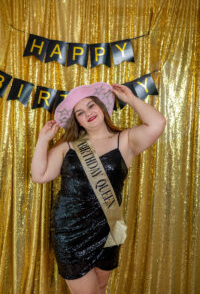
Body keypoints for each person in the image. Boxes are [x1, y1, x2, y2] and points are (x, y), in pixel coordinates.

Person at [31, 82, 166, 294]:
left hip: (108, 229)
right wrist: (42, 140)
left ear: (101, 107)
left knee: (100, 288)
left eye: (91, 105)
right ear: (77, 120)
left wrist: (130, 99)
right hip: (71, 231)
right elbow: (39, 176)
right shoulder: (67, 148)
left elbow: (158, 123)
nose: (88, 113)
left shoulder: (125, 140)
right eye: (80, 112)